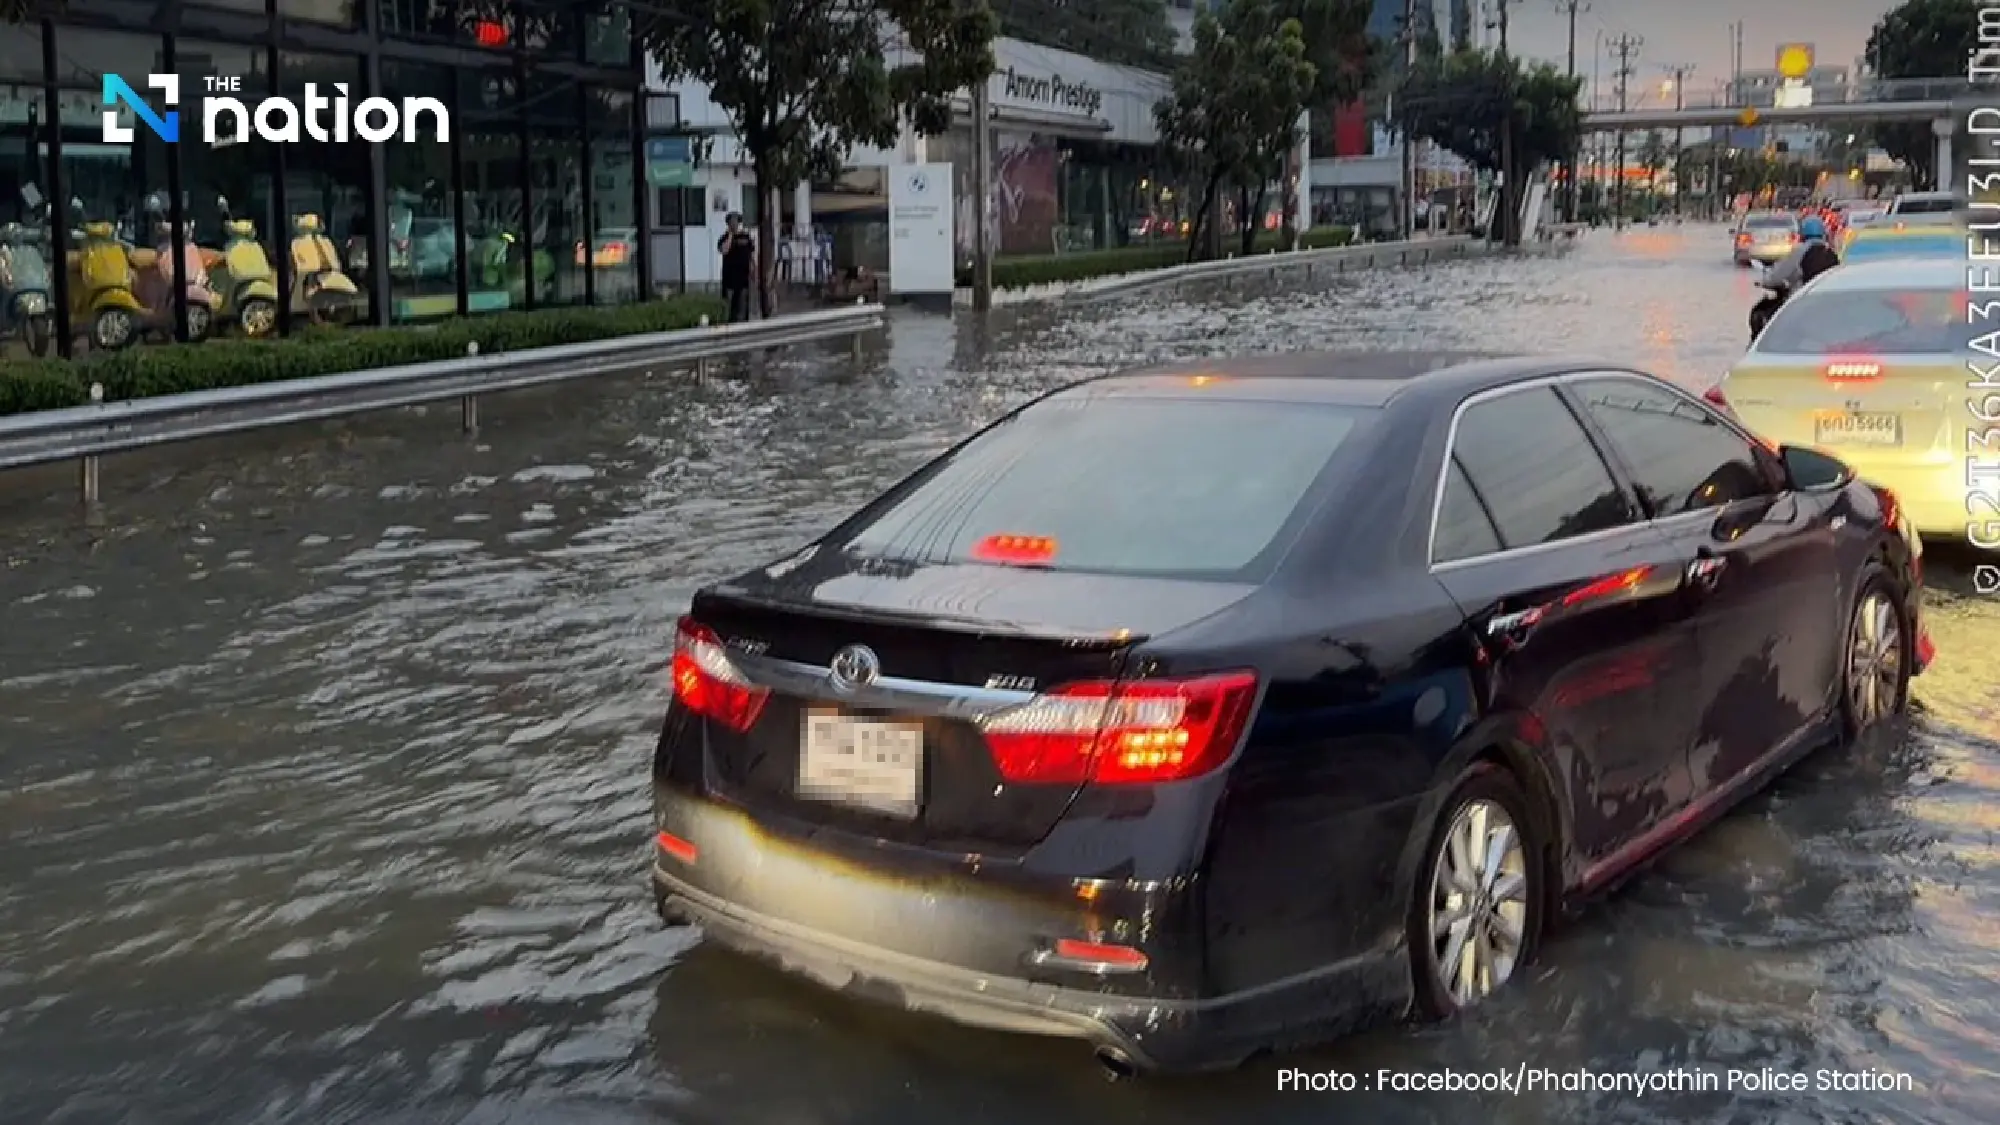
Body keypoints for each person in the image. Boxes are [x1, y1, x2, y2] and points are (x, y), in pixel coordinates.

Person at [1750, 214, 1839, 339]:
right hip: (1829, 306)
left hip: (1800, 303)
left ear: (1802, 234)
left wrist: (1764, 281)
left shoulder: (1799, 251)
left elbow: (1775, 276)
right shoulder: (1832, 253)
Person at [717, 212, 755, 323]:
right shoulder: (724, 238)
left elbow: (751, 255)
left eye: (736, 222)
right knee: (728, 309)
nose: (734, 225)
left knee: (742, 308)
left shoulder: (746, 237)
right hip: (729, 279)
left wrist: (754, 271)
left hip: (743, 278)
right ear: (728, 224)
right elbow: (724, 250)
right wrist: (730, 235)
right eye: (731, 223)